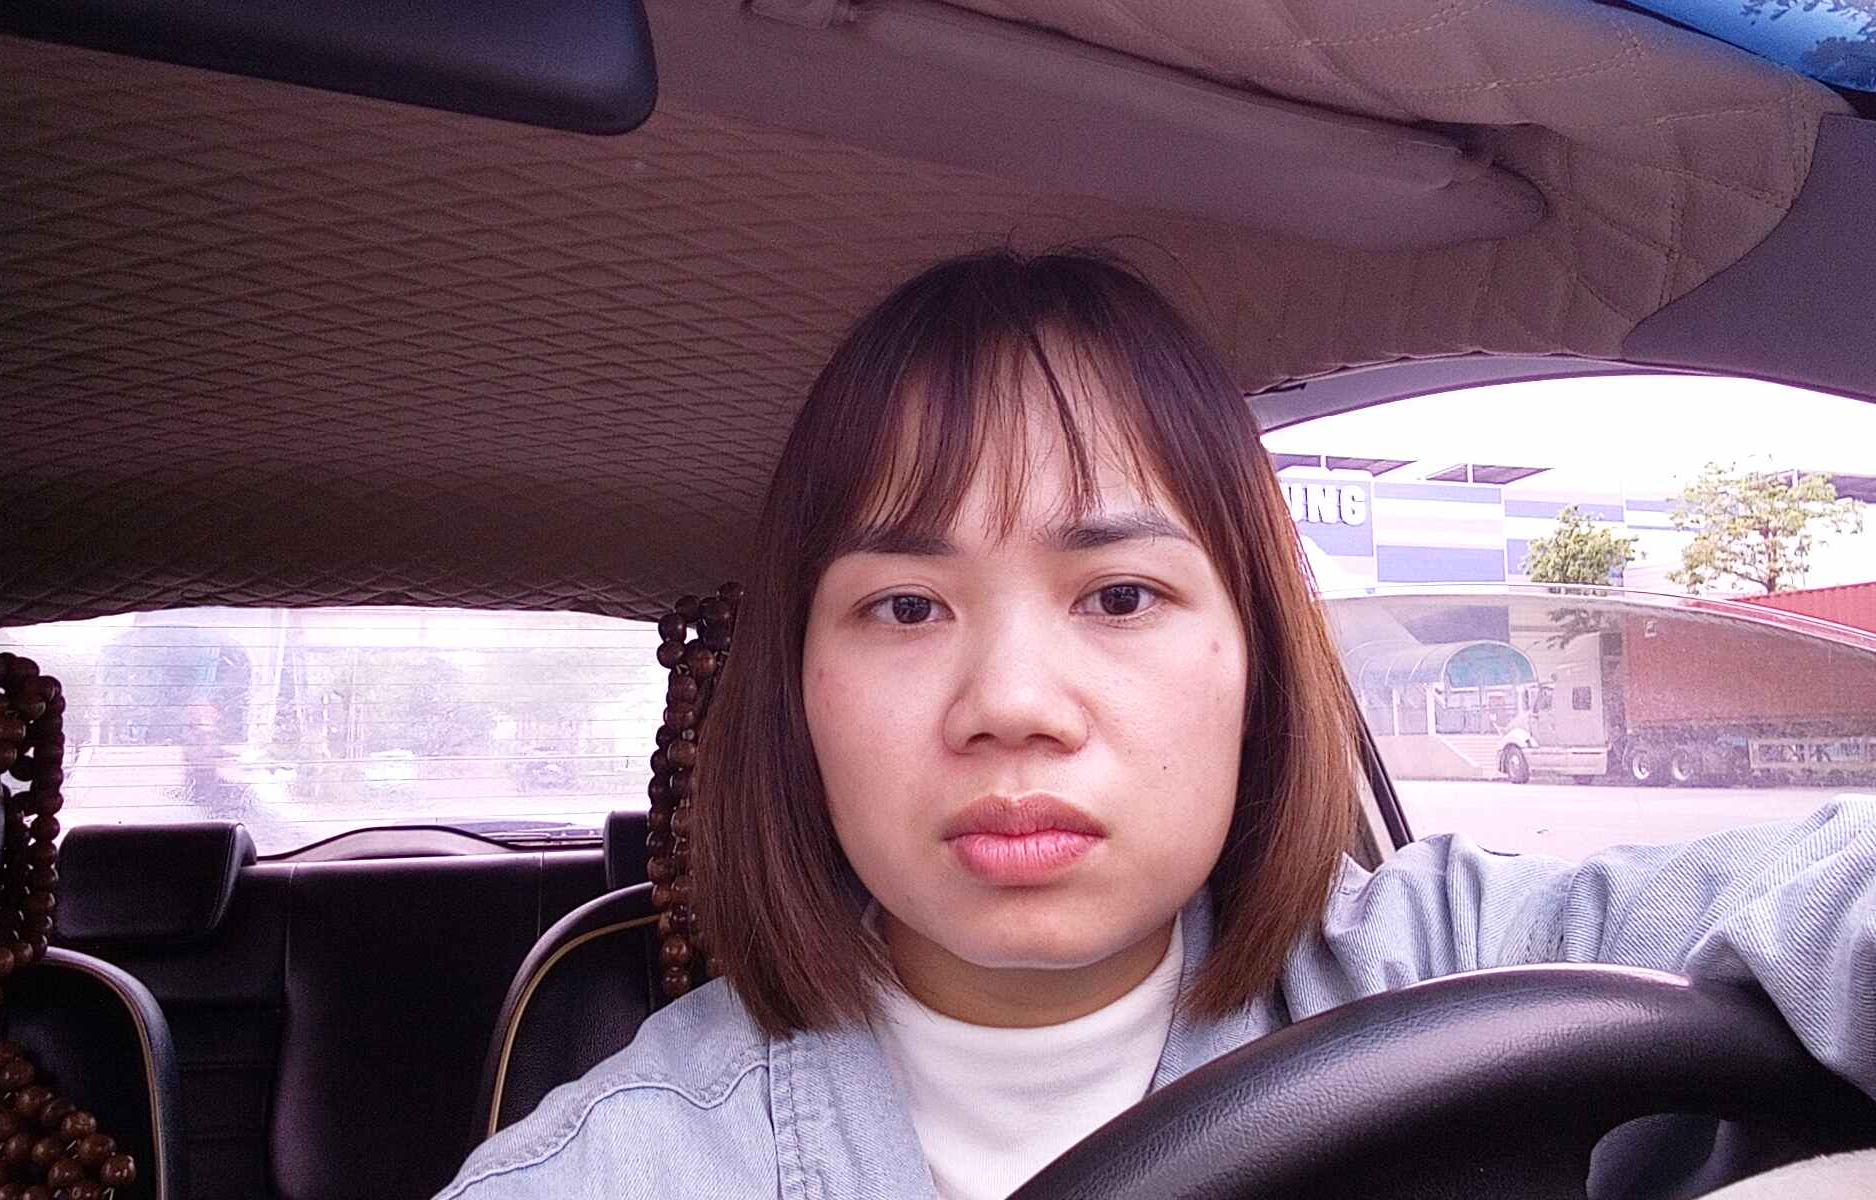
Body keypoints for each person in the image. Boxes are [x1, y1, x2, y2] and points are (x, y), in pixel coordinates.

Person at [433, 248, 1876, 1199]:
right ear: (798, 698)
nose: (1011, 705)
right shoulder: (617, 1168)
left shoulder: (1473, 969)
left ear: (1255, 659)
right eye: (905, 607)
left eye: (1120, 597)